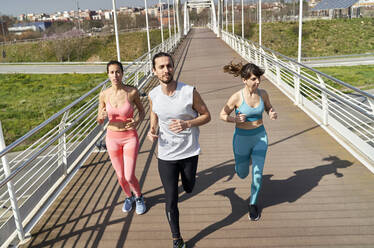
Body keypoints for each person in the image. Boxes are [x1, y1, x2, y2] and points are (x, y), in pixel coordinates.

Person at [147, 52, 211, 248]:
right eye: (162, 67)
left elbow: (207, 115)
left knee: (189, 186)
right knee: (171, 199)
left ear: (173, 67)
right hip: (166, 154)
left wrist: (187, 124)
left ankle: (188, 181)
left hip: (189, 151)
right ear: (154, 71)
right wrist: (152, 130)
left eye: (169, 66)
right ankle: (177, 238)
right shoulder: (153, 95)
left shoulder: (189, 91)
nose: (166, 70)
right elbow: (154, 114)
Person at [219, 61, 277, 221]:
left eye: (258, 78)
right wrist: (235, 119)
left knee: (257, 175)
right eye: (253, 79)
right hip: (241, 139)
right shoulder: (236, 97)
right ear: (244, 80)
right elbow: (222, 115)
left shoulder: (263, 93)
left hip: (260, 137)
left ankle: (253, 203)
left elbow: (268, 107)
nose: (257, 81)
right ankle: (240, 169)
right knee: (243, 173)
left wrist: (271, 112)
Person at [97, 60, 146, 215]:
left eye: (118, 71)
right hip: (112, 138)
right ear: (108, 75)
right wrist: (101, 116)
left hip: (129, 137)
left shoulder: (132, 92)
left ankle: (139, 197)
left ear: (122, 73)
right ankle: (128, 196)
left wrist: (137, 121)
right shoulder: (104, 94)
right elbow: (99, 118)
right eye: (112, 72)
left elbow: (142, 112)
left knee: (129, 175)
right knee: (120, 176)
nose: (115, 75)